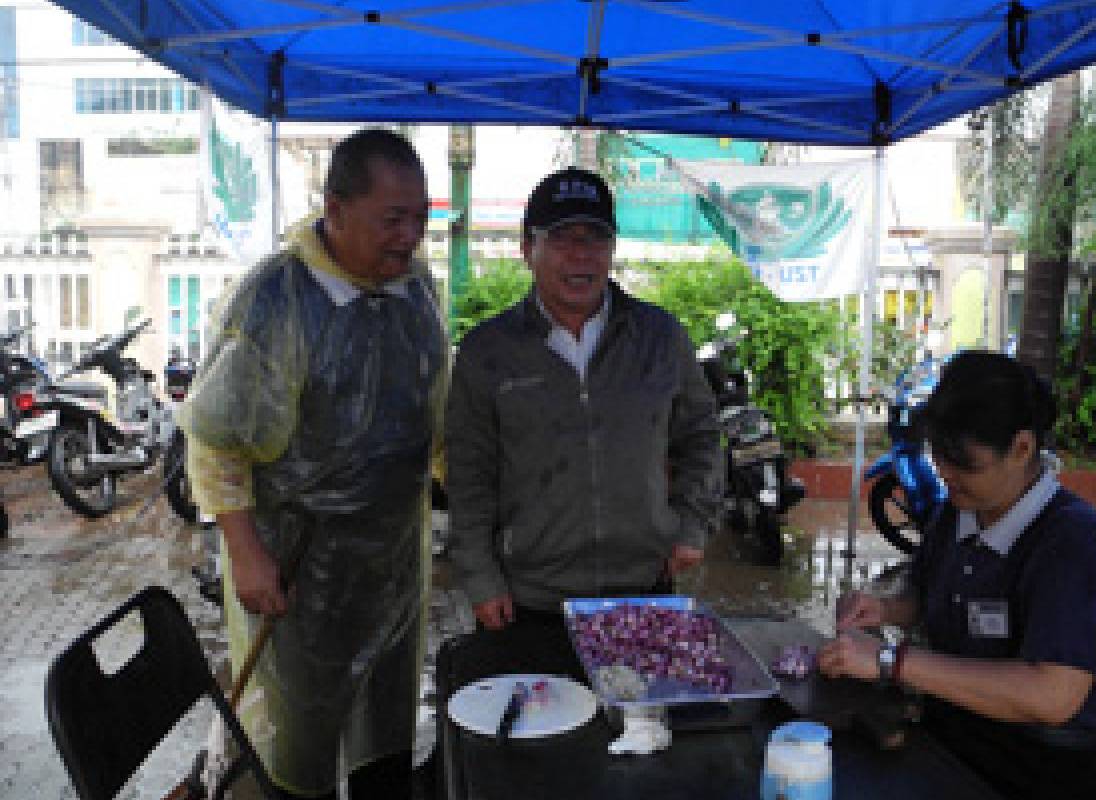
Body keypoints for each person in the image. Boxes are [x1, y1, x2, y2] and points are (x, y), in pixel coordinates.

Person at [179, 128, 445, 800]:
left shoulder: (416, 289)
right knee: (299, 744)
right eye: (394, 219)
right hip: (299, 570)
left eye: (420, 218)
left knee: (385, 728)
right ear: (335, 206)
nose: (410, 236)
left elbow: (436, 411)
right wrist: (244, 552)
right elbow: (216, 440)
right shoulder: (277, 301)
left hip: (390, 561)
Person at [818, 350, 1096, 800]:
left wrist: (892, 662)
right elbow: (926, 590)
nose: (945, 475)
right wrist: (884, 607)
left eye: (963, 464)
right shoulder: (959, 511)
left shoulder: (1074, 543)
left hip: (1042, 772)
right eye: (940, 458)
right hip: (956, 741)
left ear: (1022, 448)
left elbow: (1051, 696)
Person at [446, 166, 722, 637]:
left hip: (642, 590)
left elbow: (702, 436)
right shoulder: (488, 352)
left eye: (595, 239)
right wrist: (480, 579)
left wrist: (692, 525)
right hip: (529, 602)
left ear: (612, 249)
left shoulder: (659, 338)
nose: (580, 256)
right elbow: (469, 476)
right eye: (561, 239)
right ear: (527, 250)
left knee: (637, 710)